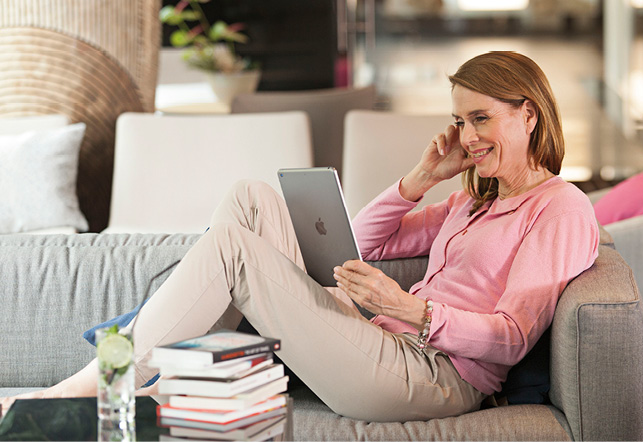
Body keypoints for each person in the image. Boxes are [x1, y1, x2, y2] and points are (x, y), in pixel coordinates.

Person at [1, 51, 599, 421]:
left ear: (529, 114)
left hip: (434, 377)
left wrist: (412, 311)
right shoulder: (473, 199)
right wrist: (419, 180)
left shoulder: (560, 209)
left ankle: (99, 382)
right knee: (250, 197)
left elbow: (513, 338)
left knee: (234, 250)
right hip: (377, 342)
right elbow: (363, 244)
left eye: (482, 118)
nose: (468, 137)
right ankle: (175, 377)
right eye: (461, 121)